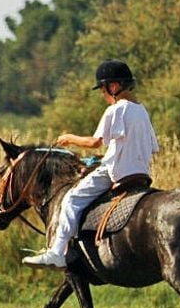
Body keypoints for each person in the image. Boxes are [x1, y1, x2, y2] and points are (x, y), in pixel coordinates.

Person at [23, 59, 159, 270]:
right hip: (142, 172)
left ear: (114, 87)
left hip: (116, 172)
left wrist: (69, 138)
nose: (104, 96)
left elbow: (95, 142)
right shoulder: (142, 111)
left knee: (71, 199)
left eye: (103, 91)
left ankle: (57, 252)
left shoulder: (116, 110)